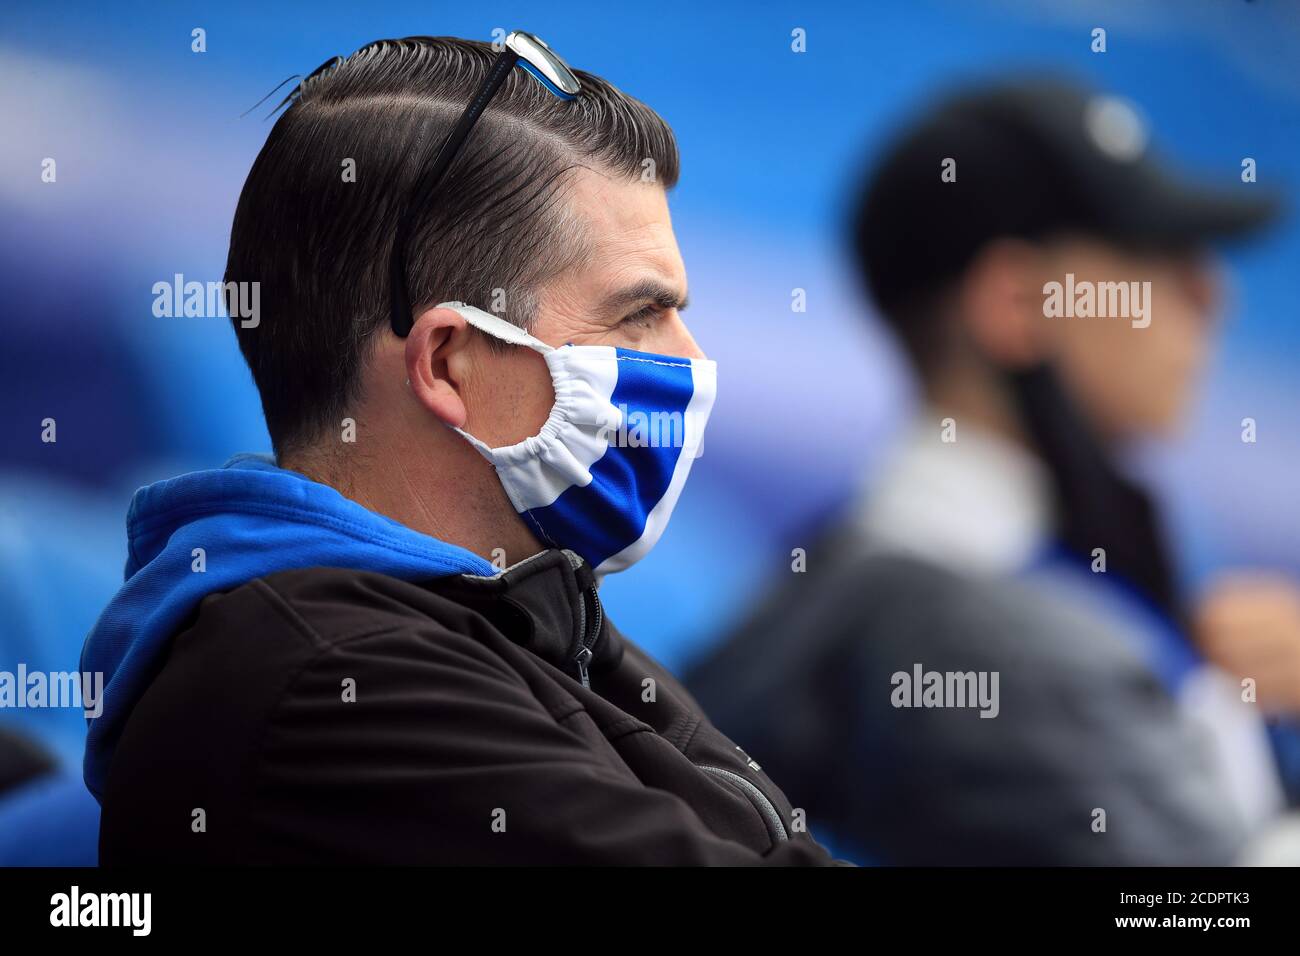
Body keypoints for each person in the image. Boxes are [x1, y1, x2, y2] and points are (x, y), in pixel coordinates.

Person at [82, 33, 845, 865]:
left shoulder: (533, 614)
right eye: (639, 313)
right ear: (450, 364)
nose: (691, 360)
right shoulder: (337, 682)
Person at [686, 75, 1294, 865]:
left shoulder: (901, 570)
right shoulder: (970, 628)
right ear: (1015, 305)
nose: (1212, 297)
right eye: (1153, 253)